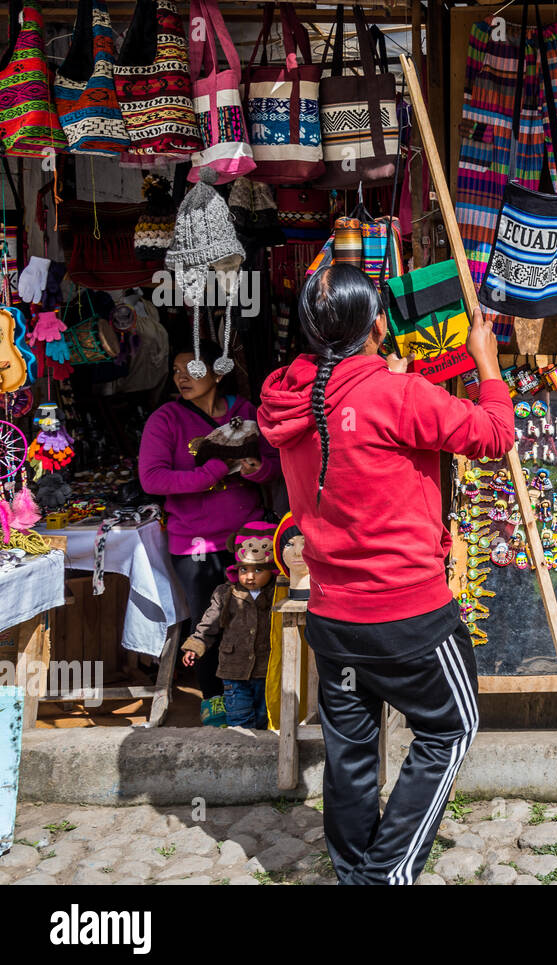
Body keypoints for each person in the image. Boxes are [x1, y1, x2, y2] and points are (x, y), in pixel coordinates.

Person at [259, 263, 513, 885]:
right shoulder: (396, 395)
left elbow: (354, 416)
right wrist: (487, 364)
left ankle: (354, 872)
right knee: (452, 727)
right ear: (377, 325)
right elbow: (495, 434)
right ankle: (384, 875)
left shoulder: (290, 399)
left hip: (333, 616)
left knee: (351, 753)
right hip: (409, 617)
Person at [138, 340, 280, 707]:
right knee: (208, 622)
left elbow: (275, 465)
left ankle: (258, 700)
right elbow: (152, 479)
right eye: (176, 370)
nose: (181, 377)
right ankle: (216, 701)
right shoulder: (166, 418)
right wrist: (215, 469)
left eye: (192, 369)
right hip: (194, 541)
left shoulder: (246, 412)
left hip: (247, 537)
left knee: (256, 617)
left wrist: (256, 469)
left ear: (218, 372)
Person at [180, 522, 277, 730]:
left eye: (258, 569)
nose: (249, 576)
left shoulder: (277, 594)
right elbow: (209, 623)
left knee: (264, 720)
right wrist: (195, 645)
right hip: (234, 670)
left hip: (266, 670)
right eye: (244, 569)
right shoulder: (225, 593)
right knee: (239, 722)